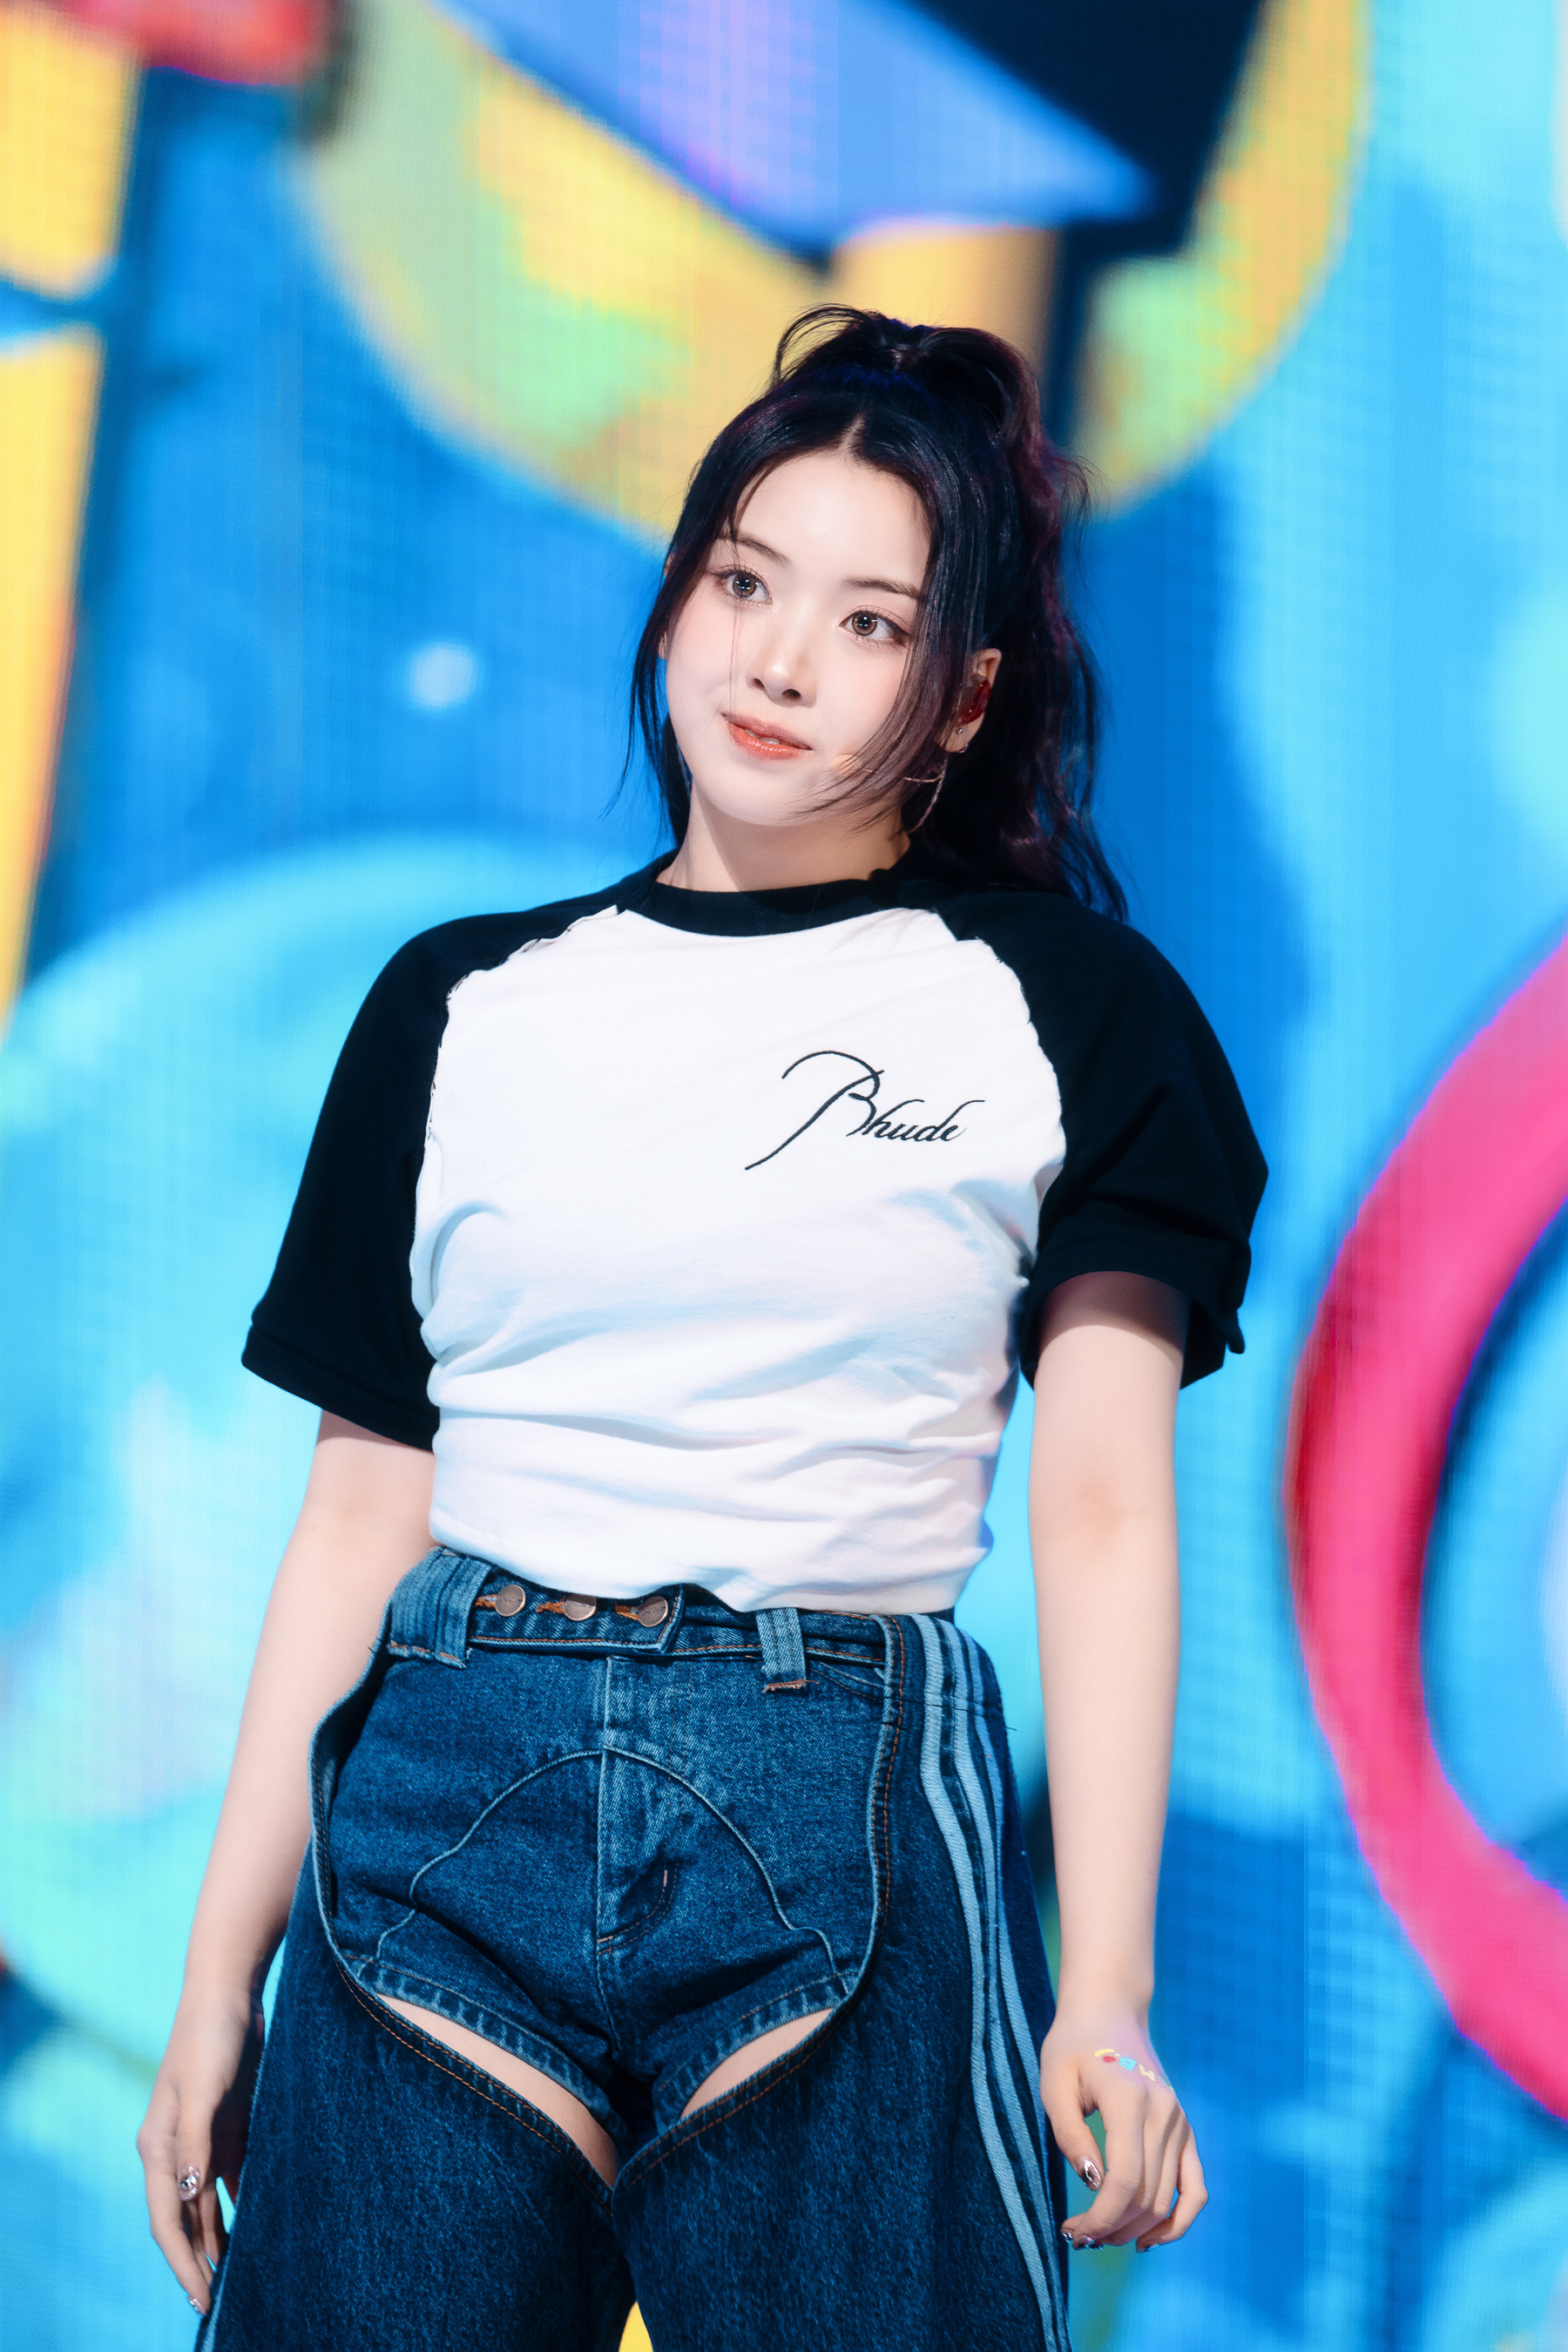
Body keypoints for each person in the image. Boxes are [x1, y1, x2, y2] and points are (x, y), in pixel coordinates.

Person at [138, 307, 1265, 2350]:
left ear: (962, 694)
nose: (777, 658)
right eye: (744, 582)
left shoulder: (1072, 1009)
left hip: (836, 1785)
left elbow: (1105, 1512)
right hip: (444, 1778)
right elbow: (359, 1512)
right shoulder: (458, 1003)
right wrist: (221, 1974)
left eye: (867, 621)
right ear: (673, 604)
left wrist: (1104, 1989)